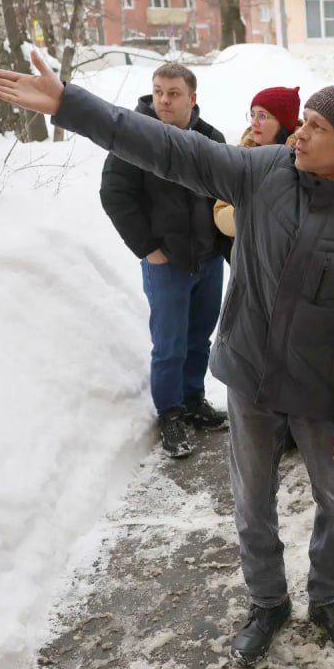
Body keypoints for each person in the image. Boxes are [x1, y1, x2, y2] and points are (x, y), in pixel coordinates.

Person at [0, 58, 334, 665]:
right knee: (252, 498)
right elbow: (167, 148)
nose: (298, 134)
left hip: (326, 389)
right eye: (303, 121)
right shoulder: (265, 173)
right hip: (253, 374)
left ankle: (329, 598)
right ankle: (267, 602)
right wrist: (68, 105)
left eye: (315, 127)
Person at [99, 63, 229, 459]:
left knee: (199, 336)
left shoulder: (211, 138)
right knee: (169, 343)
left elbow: (224, 195)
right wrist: (147, 248)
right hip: (166, 261)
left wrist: (225, 249)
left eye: (173, 93)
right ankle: (170, 413)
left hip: (206, 260)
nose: (164, 100)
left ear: (192, 97)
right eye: (158, 92)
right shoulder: (134, 137)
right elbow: (115, 195)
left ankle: (193, 398)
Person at [213, 86, 302, 249]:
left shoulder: (302, 157)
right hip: (247, 259)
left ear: (282, 122)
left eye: (263, 116)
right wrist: (253, 211)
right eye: (252, 114)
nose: (254, 122)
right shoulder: (241, 155)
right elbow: (220, 212)